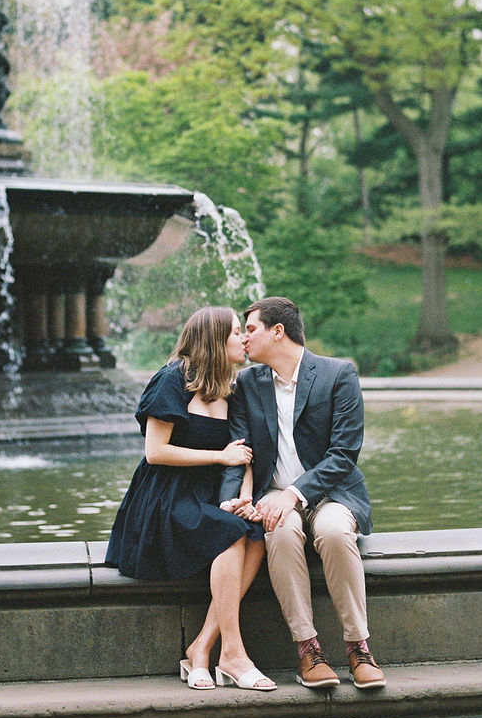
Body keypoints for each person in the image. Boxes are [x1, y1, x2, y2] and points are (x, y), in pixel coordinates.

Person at [105, 306, 275, 692]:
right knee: (230, 533)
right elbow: (156, 452)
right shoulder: (173, 379)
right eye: (235, 332)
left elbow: (244, 453)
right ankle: (233, 652)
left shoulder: (233, 387)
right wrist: (220, 457)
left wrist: (246, 496)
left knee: (254, 533)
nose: (244, 338)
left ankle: (201, 648)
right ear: (214, 338)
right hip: (167, 493)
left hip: (213, 492)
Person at [221, 296, 386, 691]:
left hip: (331, 494)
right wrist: (233, 499)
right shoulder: (248, 383)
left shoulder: (337, 374)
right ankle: (308, 649)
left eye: (252, 329)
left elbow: (343, 454)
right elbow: (239, 448)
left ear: (278, 331)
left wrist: (293, 494)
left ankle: (358, 647)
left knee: (332, 531)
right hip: (273, 497)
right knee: (279, 529)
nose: (244, 338)